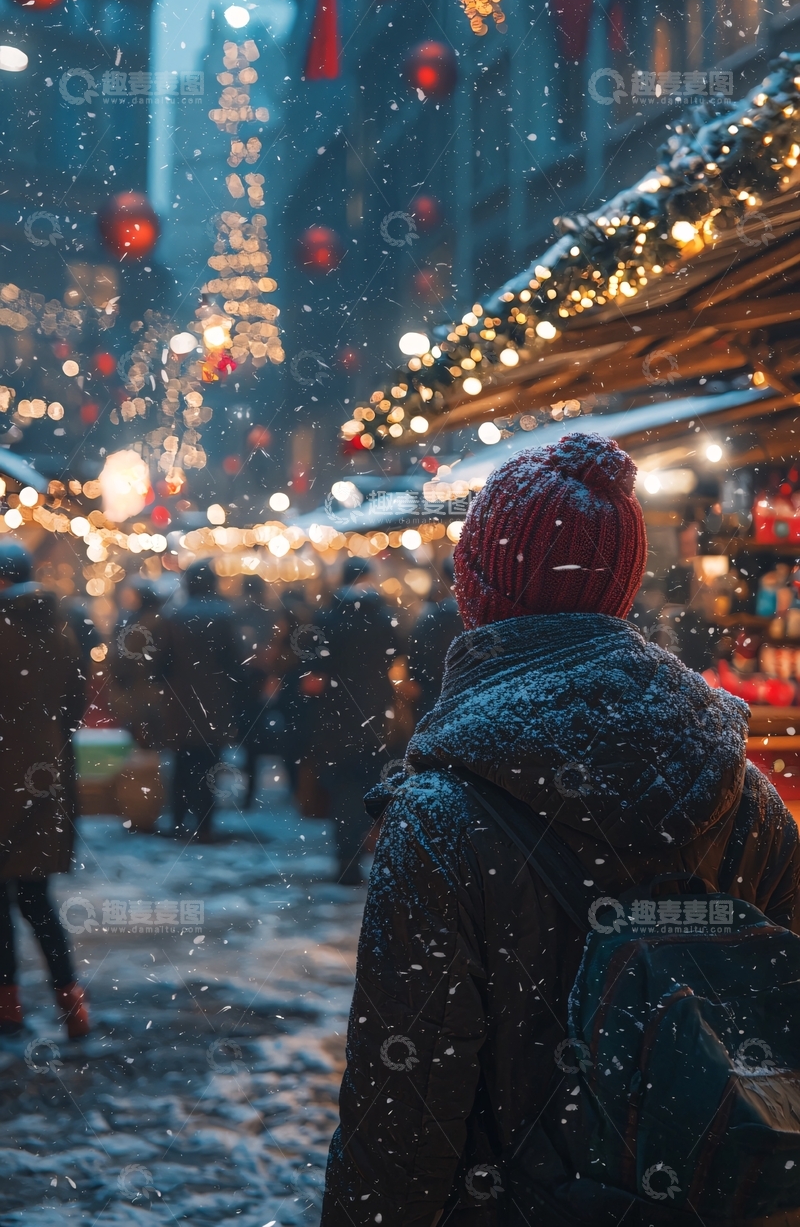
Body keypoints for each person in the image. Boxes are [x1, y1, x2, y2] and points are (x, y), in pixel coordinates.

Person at [321, 433, 800, 1226]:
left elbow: (401, 1116)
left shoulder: (442, 813)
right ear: (622, 589)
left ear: (476, 589)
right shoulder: (744, 796)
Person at [0, 542, 88, 1038]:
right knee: (37, 899)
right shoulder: (61, 631)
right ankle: (72, 1004)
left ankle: (7, 1008)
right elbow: (74, 707)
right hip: (46, 781)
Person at [311, 558, 400, 884]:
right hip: (375, 717)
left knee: (343, 792)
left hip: (335, 719)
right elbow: (396, 655)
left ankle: (346, 858)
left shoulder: (327, 618)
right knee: (371, 788)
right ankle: (368, 852)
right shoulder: (384, 618)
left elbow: (313, 674)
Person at [156, 561, 243, 841]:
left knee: (181, 765)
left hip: (181, 703)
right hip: (214, 703)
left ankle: (180, 819)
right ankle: (205, 824)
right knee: (210, 765)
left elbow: (161, 663)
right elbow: (235, 663)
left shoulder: (173, 616)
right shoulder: (225, 615)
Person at [233, 576, 283, 807]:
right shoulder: (268, 614)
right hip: (258, 681)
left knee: (247, 737)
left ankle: (248, 789)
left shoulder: (239, 613)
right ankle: (250, 789)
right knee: (254, 738)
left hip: (244, 682)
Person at [109, 578, 164, 749]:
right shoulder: (148, 619)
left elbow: (125, 657)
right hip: (146, 686)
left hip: (143, 686)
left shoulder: (146, 622)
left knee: (144, 733)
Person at [407, 556, 463, 718]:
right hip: (467, 692)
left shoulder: (430, 616)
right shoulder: (473, 616)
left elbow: (416, 654)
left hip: (433, 696)